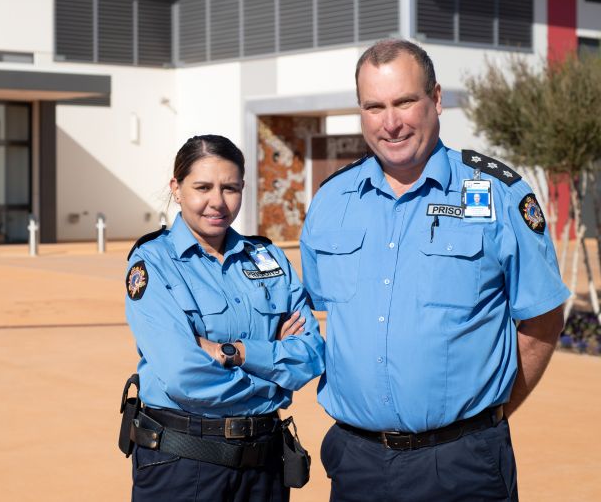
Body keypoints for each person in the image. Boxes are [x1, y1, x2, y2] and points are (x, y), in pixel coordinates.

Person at [300, 39, 568, 501]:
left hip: (463, 465)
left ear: (437, 99)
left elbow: (542, 316)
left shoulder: (497, 195)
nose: (391, 122)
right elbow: (311, 319)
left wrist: (495, 415)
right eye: (374, 106)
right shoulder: (331, 202)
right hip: (357, 464)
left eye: (405, 101)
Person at [124, 134, 325, 501]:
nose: (217, 202)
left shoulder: (268, 258)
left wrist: (234, 352)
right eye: (203, 187)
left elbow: (310, 356)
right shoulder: (153, 263)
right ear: (177, 188)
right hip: (183, 464)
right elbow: (184, 375)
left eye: (230, 188)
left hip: (264, 464)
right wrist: (272, 385)